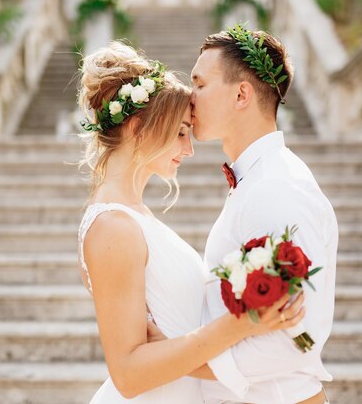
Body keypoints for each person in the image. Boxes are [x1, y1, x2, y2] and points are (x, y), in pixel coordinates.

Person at [76, 41, 305, 403]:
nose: (190, 148)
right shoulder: (113, 227)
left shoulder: (134, 217)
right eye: (181, 131)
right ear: (138, 129)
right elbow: (128, 375)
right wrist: (241, 323)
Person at [188, 26, 339, 404]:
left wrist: (181, 360)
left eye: (201, 85)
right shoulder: (260, 179)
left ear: (241, 94)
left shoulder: (278, 188)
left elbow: (296, 340)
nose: (189, 98)